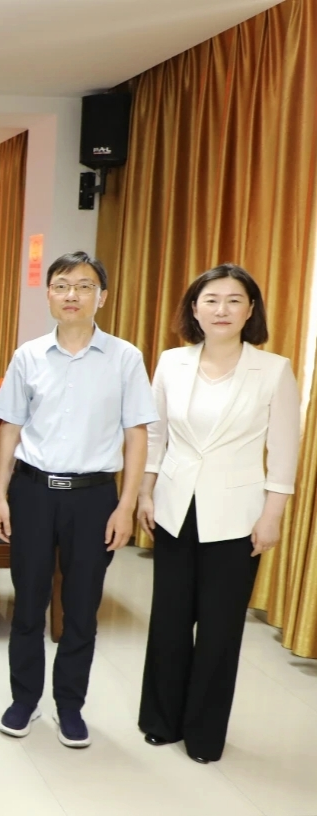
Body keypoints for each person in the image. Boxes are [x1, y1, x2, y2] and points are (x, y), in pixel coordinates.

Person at [0, 252, 157, 748]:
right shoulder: (28, 356)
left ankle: (70, 706)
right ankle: (24, 700)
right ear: (48, 294)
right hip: (33, 492)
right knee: (28, 604)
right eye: (62, 285)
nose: (72, 295)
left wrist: (126, 505)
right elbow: (9, 430)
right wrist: (1, 497)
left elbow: (137, 435)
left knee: (82, 609)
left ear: (101, 297)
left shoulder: (125, 358)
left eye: (84, 286)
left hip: (94, 497)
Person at [137, 264, 299, 764]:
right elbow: (156, 436)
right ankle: (161, 720)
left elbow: (284, 451)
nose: (222, 309)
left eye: (234, 300)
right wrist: (145, 492)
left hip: (237, 516)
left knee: (220, 630)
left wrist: (272, 515)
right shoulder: (171, 362)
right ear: (194, 308)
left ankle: (205, 735)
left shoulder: (273, 369)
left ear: (251, 311)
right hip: (174, 508)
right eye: (211, 299)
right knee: (169, 620)